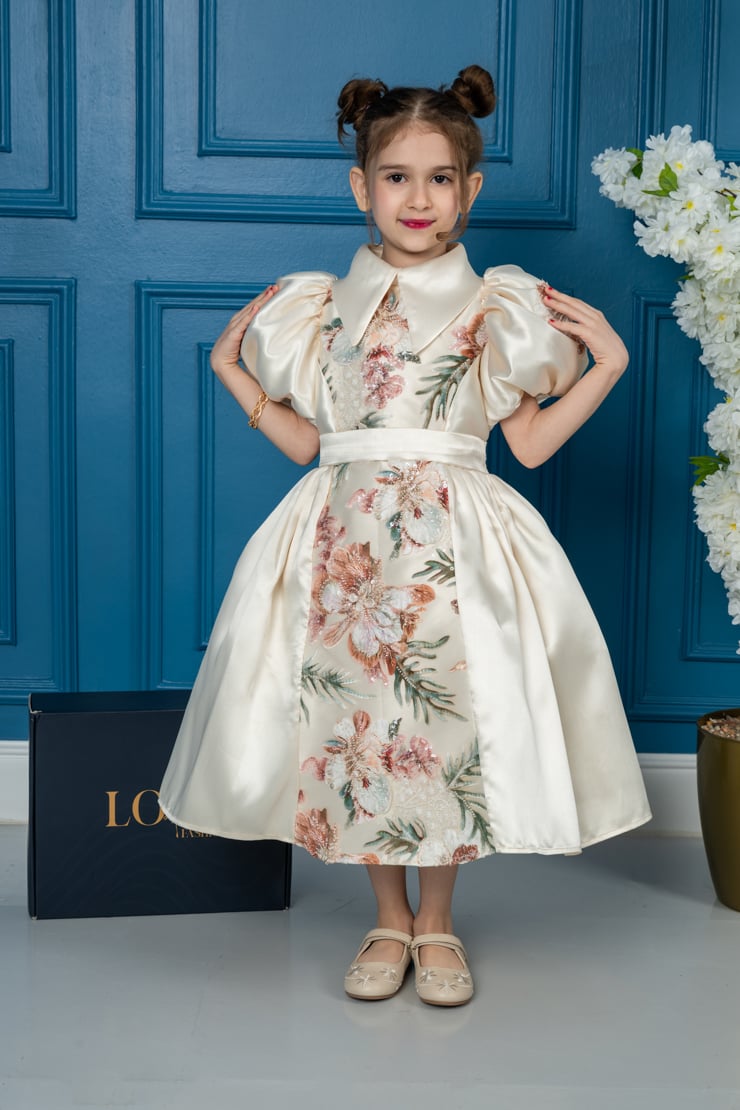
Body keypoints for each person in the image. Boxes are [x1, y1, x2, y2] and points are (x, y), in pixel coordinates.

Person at [159, 64, 651, 1007]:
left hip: (454, 544)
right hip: (343, 546)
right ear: (362, 187)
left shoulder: (496, 307)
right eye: (396, 177)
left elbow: (529, 445)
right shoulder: (316, 309)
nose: (417, 198)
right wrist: (234, 371)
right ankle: (388, 917)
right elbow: (312, 444)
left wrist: (608, 365)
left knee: (440, 725)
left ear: (471, 189)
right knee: (358, 726)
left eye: (439, 178)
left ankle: (438, 922)